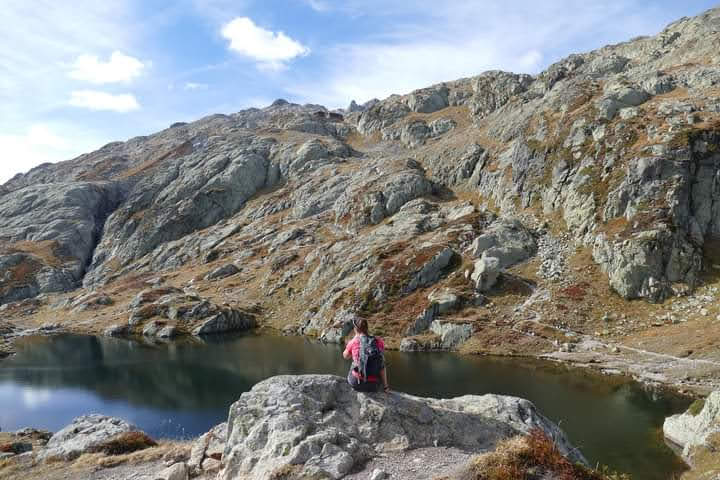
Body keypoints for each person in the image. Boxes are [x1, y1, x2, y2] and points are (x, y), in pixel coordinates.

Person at [342, 317, 389, 393]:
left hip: (356, 383)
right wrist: (385, 387)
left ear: (355, 329)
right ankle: (384, 386)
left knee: (355, 362)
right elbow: (382, 366)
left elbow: (345, 356)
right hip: (374, 386)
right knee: (380, 361)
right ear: (367, 328)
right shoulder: (378, 341)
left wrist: (355, 338)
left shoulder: (354, 341)